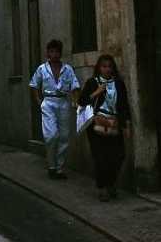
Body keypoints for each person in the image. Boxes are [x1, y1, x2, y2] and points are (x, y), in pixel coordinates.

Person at [78, 54, 131, 201]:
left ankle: (111, 183)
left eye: (109, 66)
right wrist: (96, 92)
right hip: (97, 124)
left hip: (114, 123)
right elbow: (81, 101)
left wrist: (126, 125)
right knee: (101, 158)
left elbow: (124, 105)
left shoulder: (119, 84)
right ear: (99, 68)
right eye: (104, 66)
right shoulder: (92, 82)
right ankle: (103, 188)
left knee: (119, 155)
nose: (107, 69)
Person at [30, 39, 80, 179]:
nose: (54, 54)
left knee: (64, 136)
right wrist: (39, 101)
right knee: (51, 135)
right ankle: (51, 165)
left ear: (60, 53)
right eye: (51, 51)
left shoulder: (67, 69)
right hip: (48, 102)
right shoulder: (42, 69)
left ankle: (59, 168)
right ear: (48, 53)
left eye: (57, 51)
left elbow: (75, 86)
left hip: (63, 102)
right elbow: (34, 85)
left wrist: (75, 102)